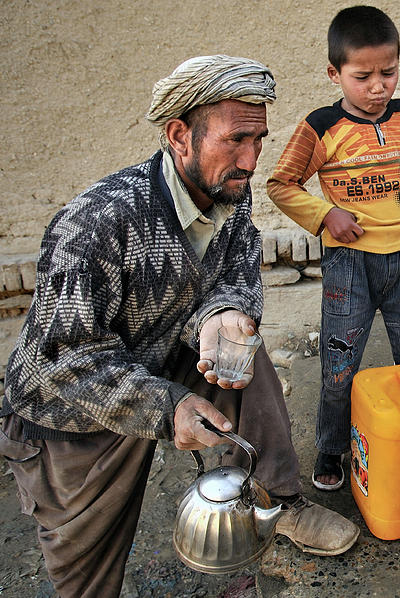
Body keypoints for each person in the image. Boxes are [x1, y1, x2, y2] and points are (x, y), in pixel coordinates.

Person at [0, 55, 359, 598]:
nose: (250, 160)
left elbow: (238, 273)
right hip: (73, 413)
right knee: (85, 576)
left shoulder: (230, 195)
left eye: (259, 140)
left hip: (165, 355)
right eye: (236, 140)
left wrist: (225, 316)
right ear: (179, 136)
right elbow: (63, 364)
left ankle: (275, 502)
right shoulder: (96, 224)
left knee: (246, 356)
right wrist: (168, 407)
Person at [267, 6, 400, 490]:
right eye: (362, 76)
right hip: (349, 264)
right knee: (340, 360)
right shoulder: (321, 125)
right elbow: (282, 184)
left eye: (388, 73)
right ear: (335, 73)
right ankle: (332, 448)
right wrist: (325, 214)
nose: (378, 87)